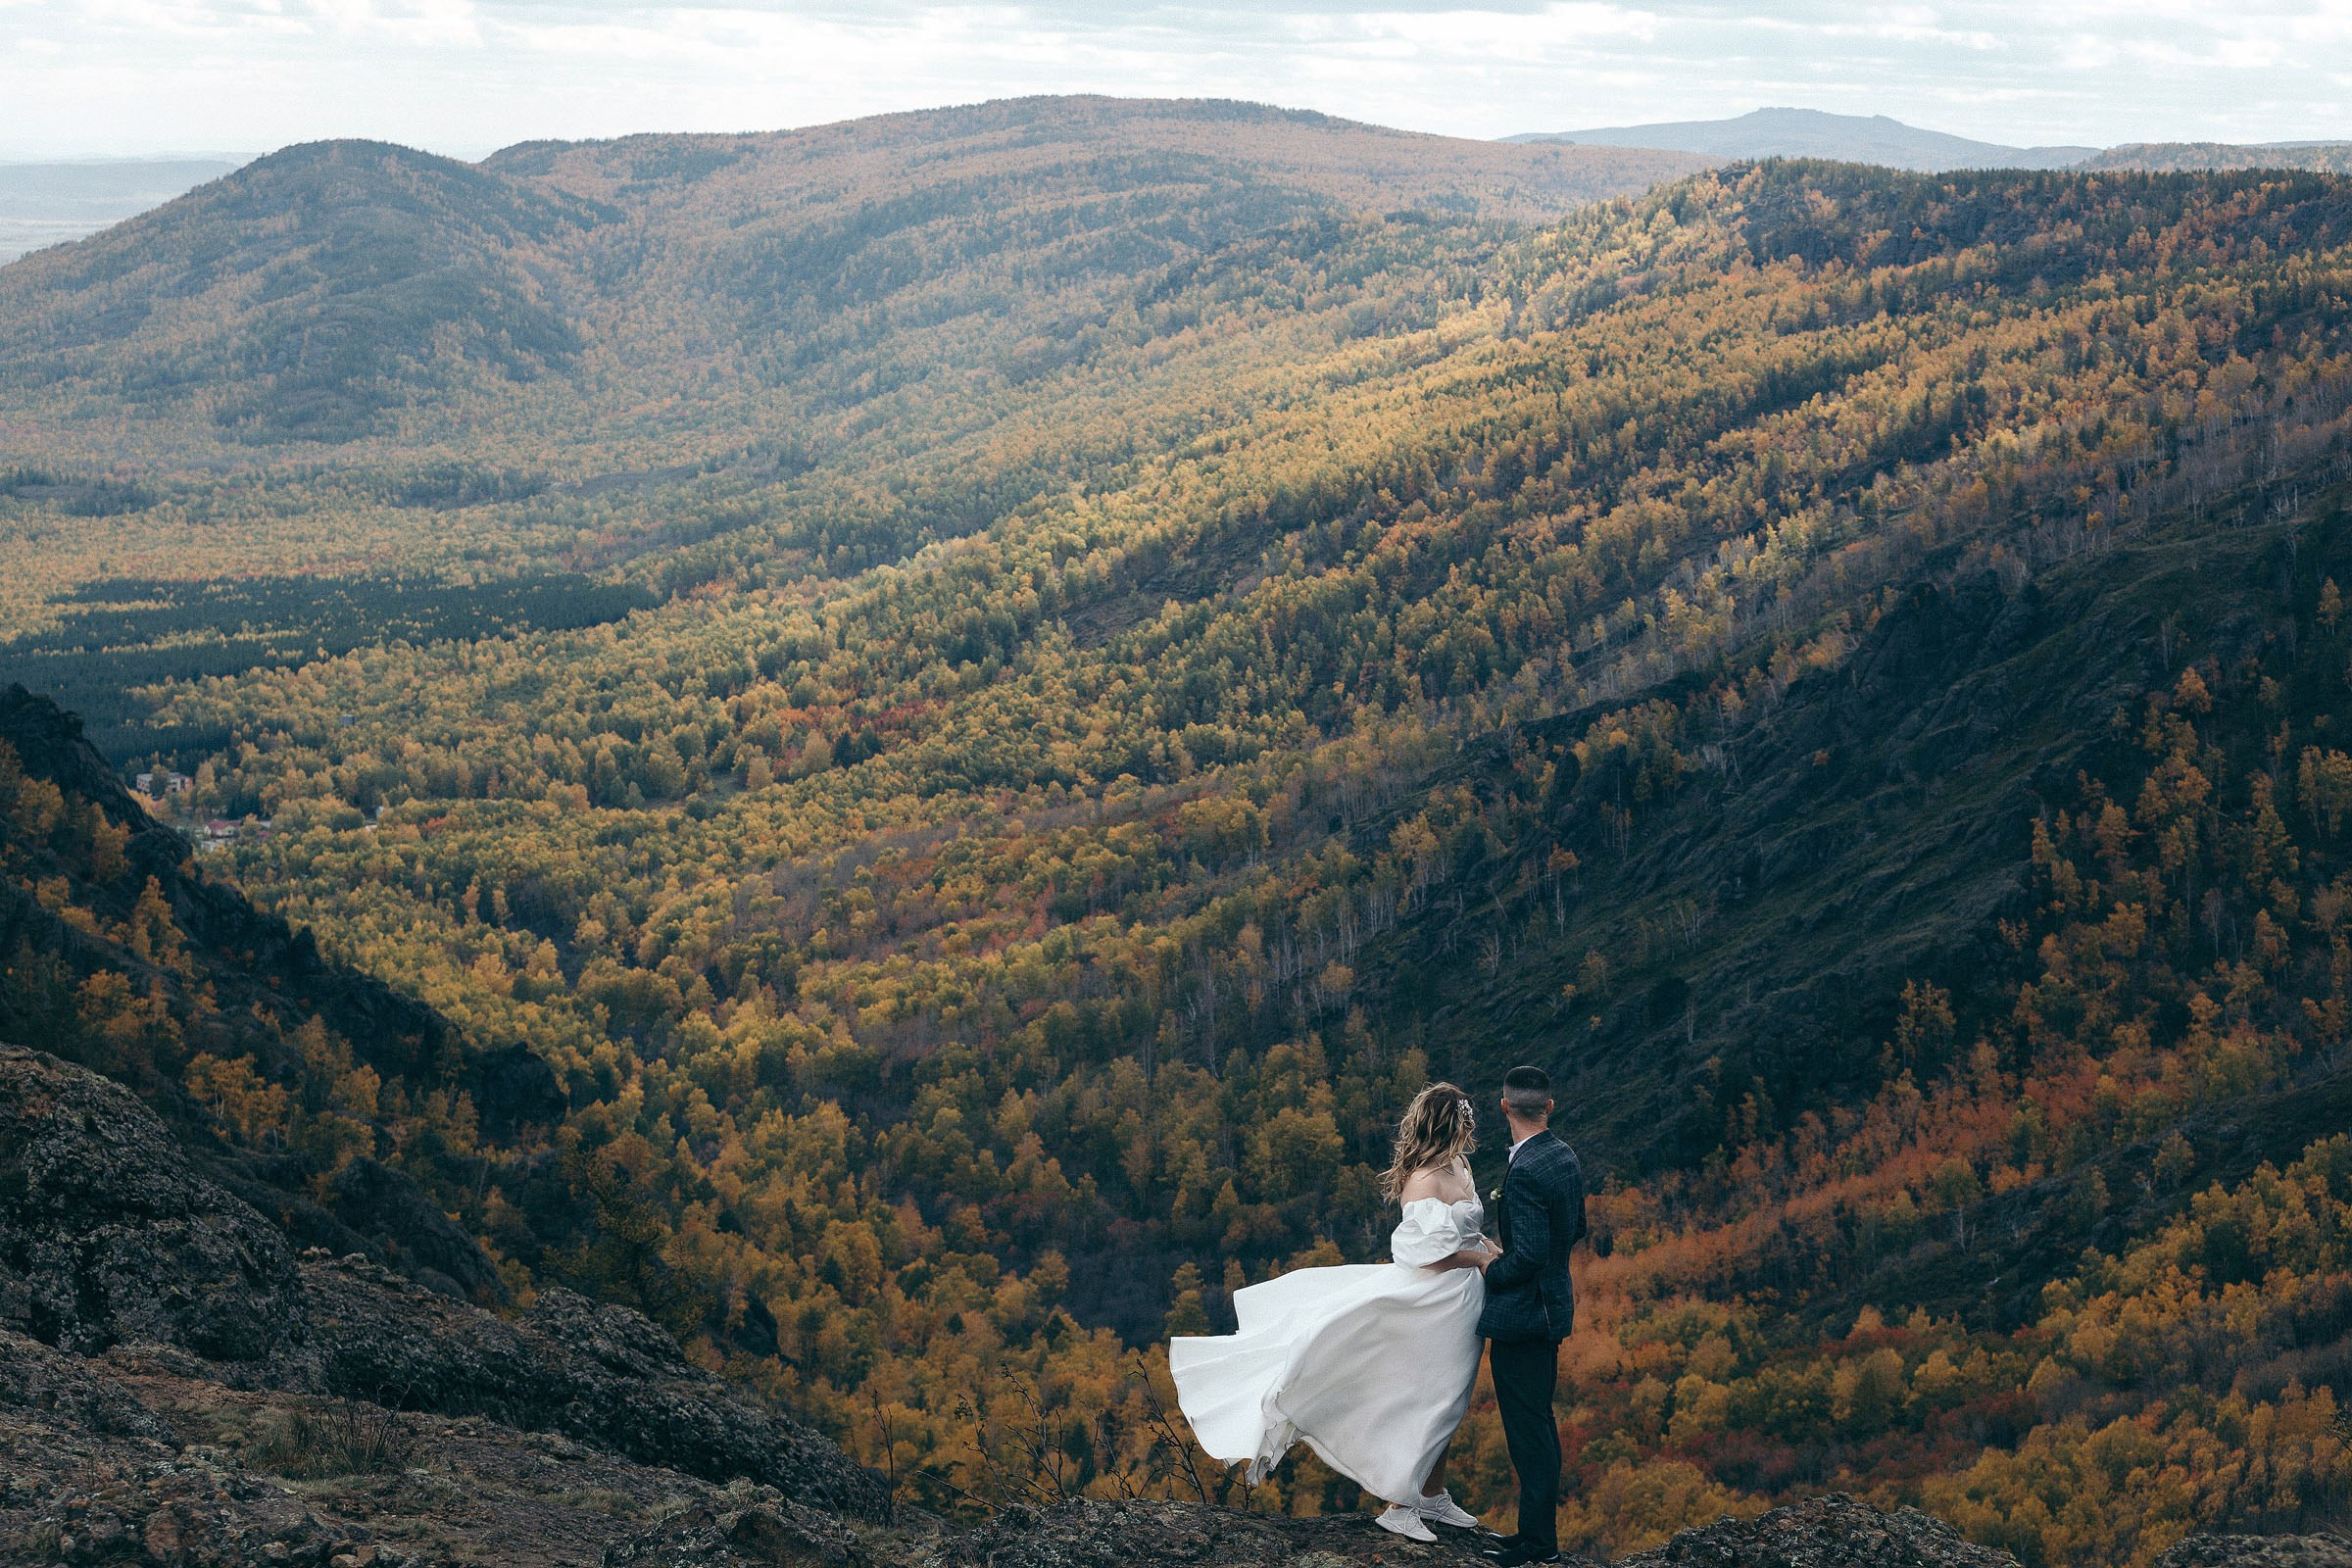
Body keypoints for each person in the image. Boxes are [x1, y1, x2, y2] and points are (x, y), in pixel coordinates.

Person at [1168, 1083, 1498, 1542]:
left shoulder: (1460, 1165)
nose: (1470, 1128)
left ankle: (1433, 1494)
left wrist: (1485, 1246)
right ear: (1448, 1124)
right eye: (1464, 1120)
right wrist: (1476, 1259)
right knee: (1432, 1399)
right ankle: (1401, 1506)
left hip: (1462, 1300)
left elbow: (1463, 1232)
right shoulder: (1424, 1180)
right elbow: (1422, 1256)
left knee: (1453, 1400)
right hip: (1431, 1304)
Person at [1475, 1064, 1587, 1567]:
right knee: (1537, 1425)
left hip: (1524, 1317)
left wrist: (1488, 1270)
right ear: (1549, 1106)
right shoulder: (1564, 1157)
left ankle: (1538, 1544)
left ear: (1504, 1108)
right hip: (1553, 1306)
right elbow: (1575, 1229)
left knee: (1529, 1432)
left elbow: (1529, 1257)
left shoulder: (1524, 1170)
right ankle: (1533, 1534)